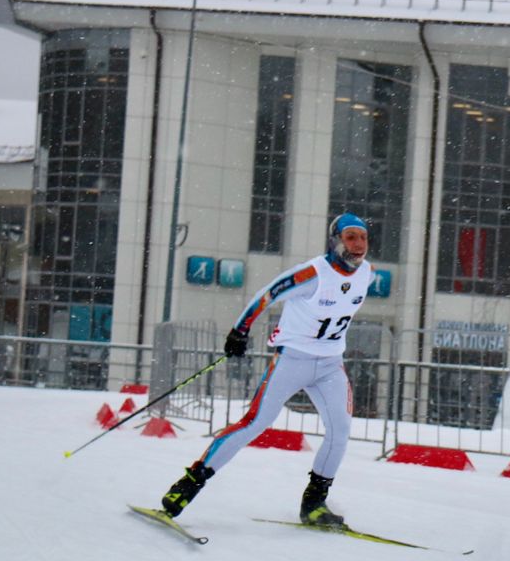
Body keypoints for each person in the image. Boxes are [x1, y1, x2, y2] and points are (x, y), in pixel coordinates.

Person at [158, 213, 374, 527]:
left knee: (340, 431)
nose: (358, 244)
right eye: (350, 236)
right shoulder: (314, 273)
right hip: (292, 361)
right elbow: (267, 295)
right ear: (336, 240)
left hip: (330, 365)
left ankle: (314, 504)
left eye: (363, 237)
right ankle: (187, 486)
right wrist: (239, 331)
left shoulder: (366, 273)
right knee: (254, 423)